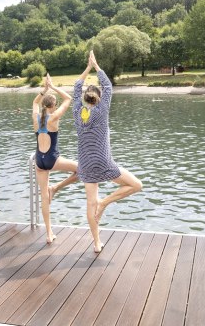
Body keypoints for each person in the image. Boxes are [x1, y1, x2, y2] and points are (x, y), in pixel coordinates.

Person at [73, 51, 142, 253]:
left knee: (89, 203)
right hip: (103, 161)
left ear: (85, 99)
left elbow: (76, 88)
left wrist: (87, 69)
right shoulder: (102, 110)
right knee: (136, 185)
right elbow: (109, 86)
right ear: (99, 97)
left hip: (85, 164)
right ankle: (105, 203)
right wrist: (95, 65)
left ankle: (96, 243)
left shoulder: (78, 112)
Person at [33, 73, 78, 243]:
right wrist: (52, 87)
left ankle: (49, 234)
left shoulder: (36, 118)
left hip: (39, 160)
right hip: (52, 159)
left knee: (43, 197)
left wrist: (44, 90)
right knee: (82, 170)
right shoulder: (54, 118)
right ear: (54, 105)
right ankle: (57, 188)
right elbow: (68, 98)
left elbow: (35, 102)